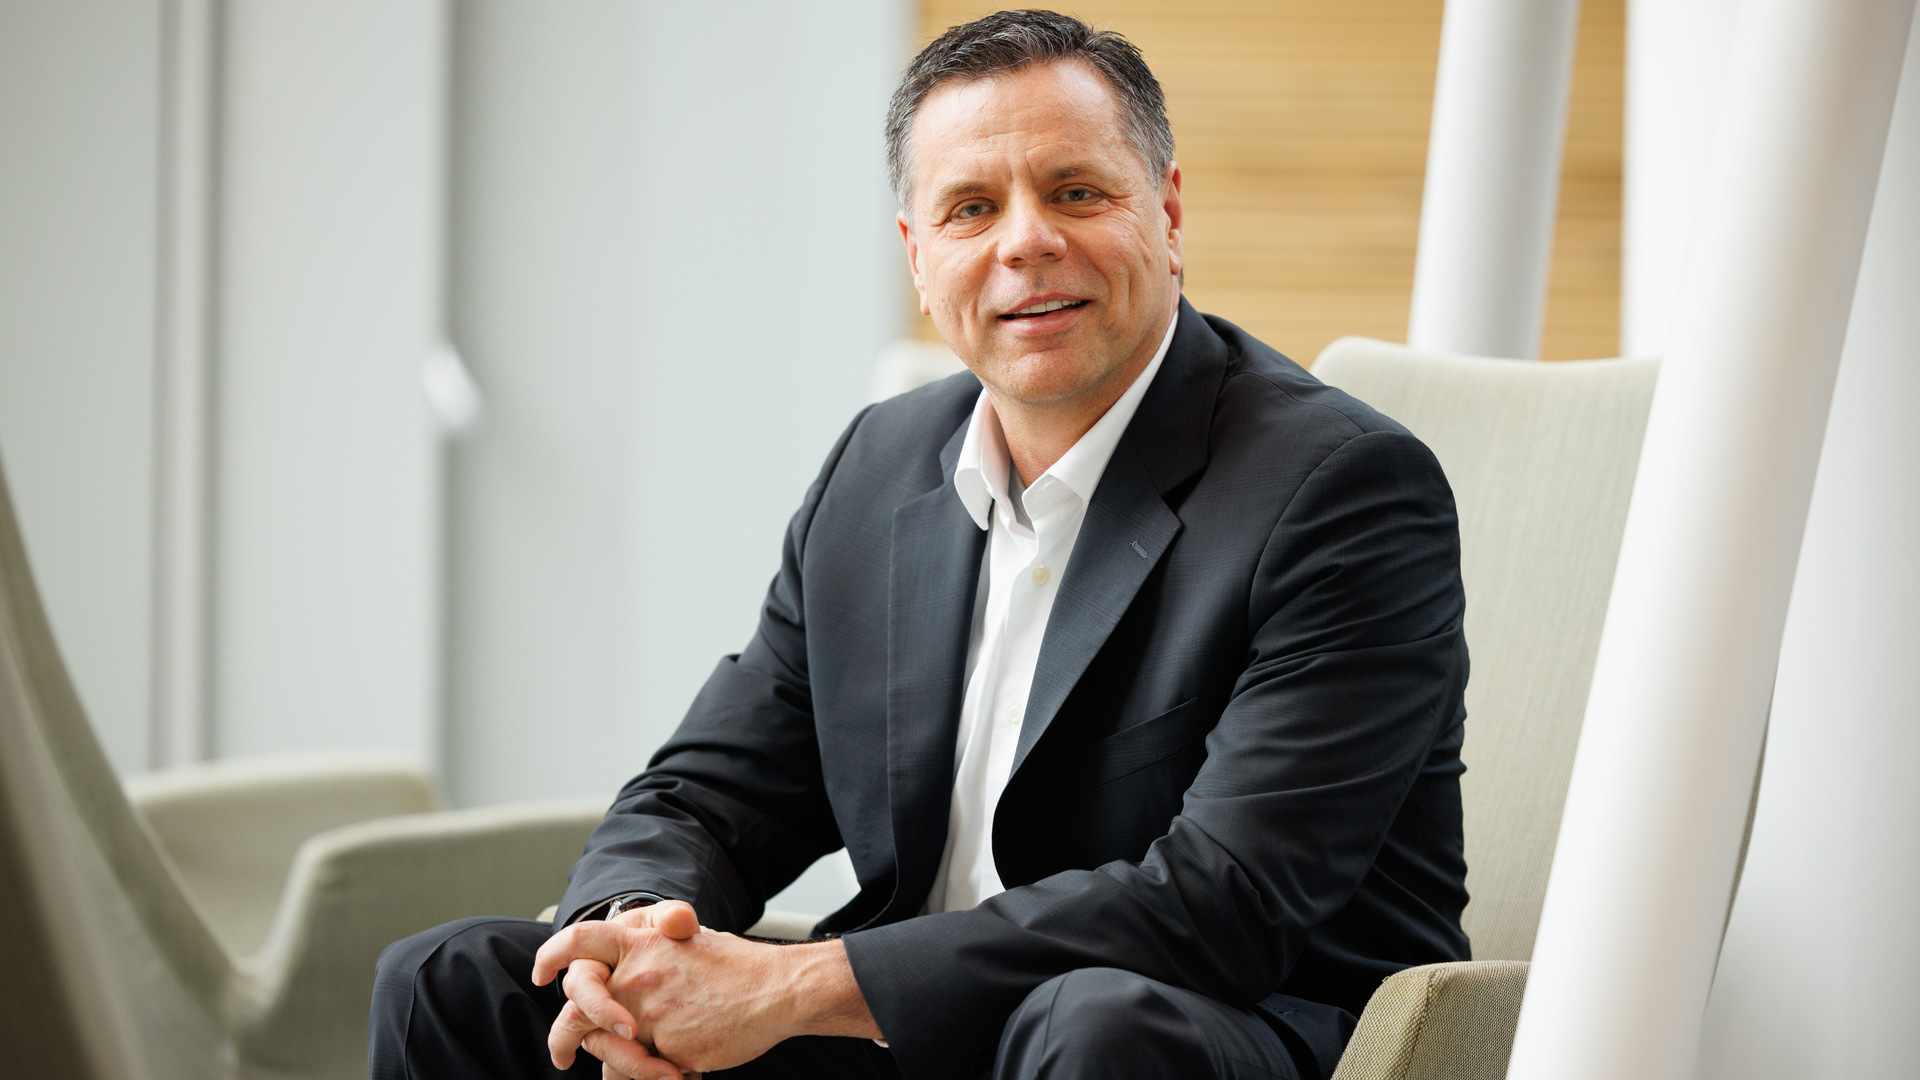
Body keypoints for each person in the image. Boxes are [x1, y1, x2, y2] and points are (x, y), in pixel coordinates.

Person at [370, 10, 1469, 1080]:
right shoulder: (881, 464)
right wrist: (627, 945)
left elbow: (1223, 903)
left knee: (1090, 1028)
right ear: (917, 253)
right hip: (900, 1032)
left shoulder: (1342, 490)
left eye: (1076, 192)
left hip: (1197, 1025)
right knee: (453, 981)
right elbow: (710, 791)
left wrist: (788, 990)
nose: (1026, 241)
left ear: (1169, 213)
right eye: (971, 208)